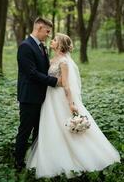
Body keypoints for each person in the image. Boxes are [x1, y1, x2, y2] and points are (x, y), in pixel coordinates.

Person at [26, 33, 120, 178]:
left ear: (60, 44)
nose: (52, 40)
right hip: (50, 97)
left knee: (63, 127)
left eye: (55, 40)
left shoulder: (63, 62)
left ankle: (81, 157)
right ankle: (52, 156)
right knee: (52, 126)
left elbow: (66, 85)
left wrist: (71, 104)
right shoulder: (53, 59)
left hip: (59, 98)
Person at [15, 17, 61, 170]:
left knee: (39, 130)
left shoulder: (42, 47)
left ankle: (35, 160)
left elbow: (44, 69)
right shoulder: (25, 46)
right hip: (29, 97)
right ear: (39, 28)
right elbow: (31, 73)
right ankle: (19, 162)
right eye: (47, 31)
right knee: (25, 130)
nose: (48, 35)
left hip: (43, 96)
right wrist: (54, 82)